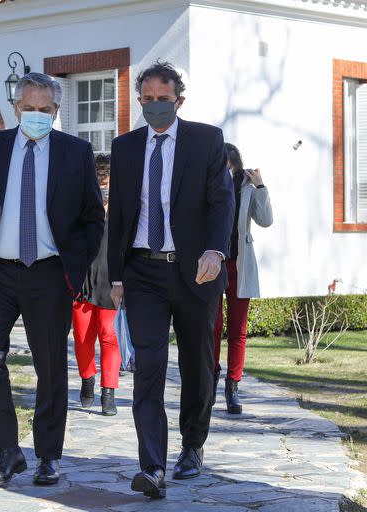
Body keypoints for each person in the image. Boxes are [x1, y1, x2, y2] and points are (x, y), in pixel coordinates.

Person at [0, 72, 104, 490]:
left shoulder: (76, 152)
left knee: (51, 367)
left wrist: (78, 263)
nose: (37, 115)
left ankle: (49, 457)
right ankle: (7, 453)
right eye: (30, 108)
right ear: (16, 108)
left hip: (50, 274)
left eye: (46, 110)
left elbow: (94, 217)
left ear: (56, 112)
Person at [107, 61, 234, 499]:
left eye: (164, 99)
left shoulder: (206, 140)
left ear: (180, 99)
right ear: (139, 100)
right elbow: (119, 215)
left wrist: (216, 252)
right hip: (143, 271)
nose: (155, 106)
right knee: (149, 367)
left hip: (195, 271)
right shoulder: (124, 148)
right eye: (148, 99)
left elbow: (222, 202)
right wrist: (116, 276)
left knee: (198, 365)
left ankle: (193, 445)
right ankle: (153, 467)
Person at [212, 143, 273, 415]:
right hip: (215, 264)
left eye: (227, 163)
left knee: (238, 329)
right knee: (212, 326)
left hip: (241, 264)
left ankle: (232, 386)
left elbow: (266, 220)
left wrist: (261, 187)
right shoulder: (208, 183)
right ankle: (210, 379)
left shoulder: (246, 186)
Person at [74, 154, 121, 417]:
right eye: (101, 180)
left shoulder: (123, 207)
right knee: (82, 338)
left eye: (108, 180)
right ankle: (88, 379)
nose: (104, 186)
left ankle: (108, 392)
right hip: (83, 278)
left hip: (112, 280)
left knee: (108, 335)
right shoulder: (82, 206)